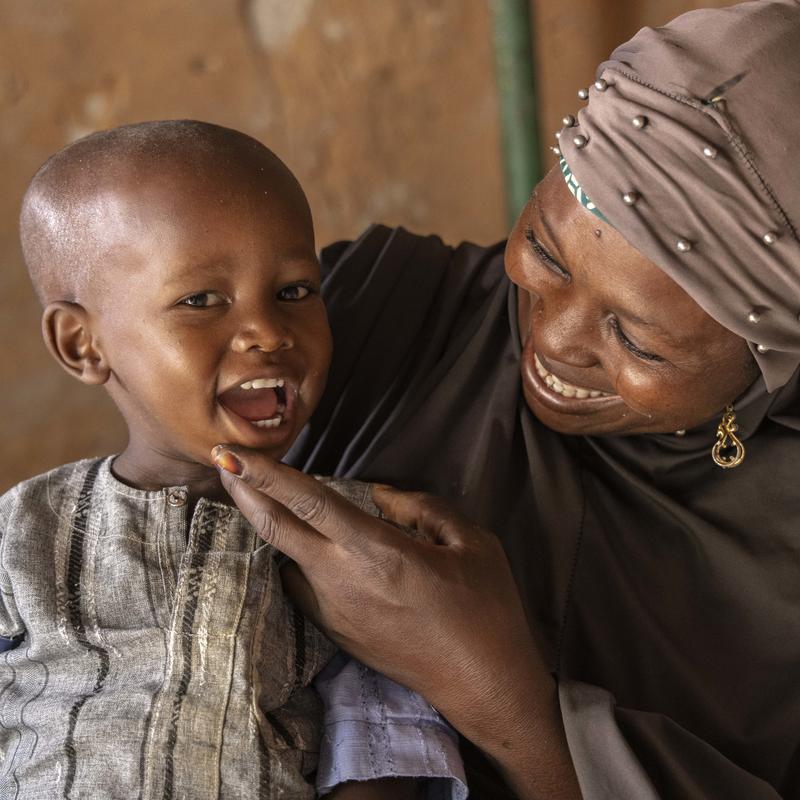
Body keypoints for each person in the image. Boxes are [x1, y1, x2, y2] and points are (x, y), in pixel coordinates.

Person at [210, 2, 800, 798]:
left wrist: (494, 691)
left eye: (636, 340)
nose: (552, 341)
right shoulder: (378, 313)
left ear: (771, 359)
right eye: (544, 251)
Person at [2, 120, 467, 799]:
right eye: (200, 301)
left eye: (294, 291)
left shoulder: (354, 544)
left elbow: (385, 740)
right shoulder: (24, 535)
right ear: (83, 344)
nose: (268, 333)